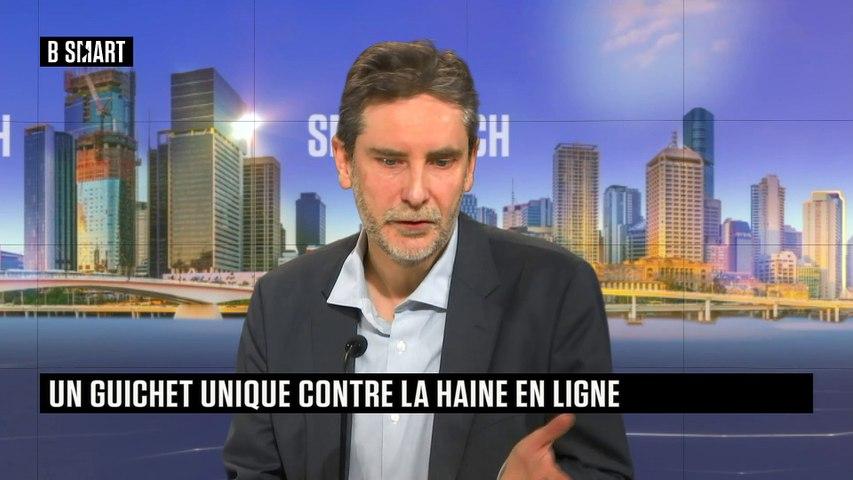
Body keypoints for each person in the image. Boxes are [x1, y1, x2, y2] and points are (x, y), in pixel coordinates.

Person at [223, 39, 633, 480]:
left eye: (441, 161)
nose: (416, 193)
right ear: (344, 161)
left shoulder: (557, 290)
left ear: (470, 165)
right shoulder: (279, 301)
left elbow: (601, 471)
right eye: (390, 160)